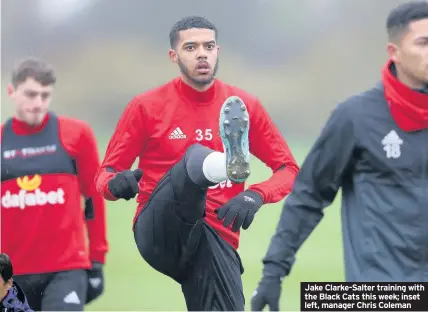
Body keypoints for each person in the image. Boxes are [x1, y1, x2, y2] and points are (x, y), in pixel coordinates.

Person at [95, 16, 299, 311]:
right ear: (174, 56)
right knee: (194, 157)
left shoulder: (244, 105)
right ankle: (220, 164)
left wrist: (255, 195)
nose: (202, 53)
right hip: (161, 231)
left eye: (209, 46)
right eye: (191, 47)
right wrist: (115, 185)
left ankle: (221, 166)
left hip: (216, 239)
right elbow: (106, 174)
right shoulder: (146, 106)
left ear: (218, 51)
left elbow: (289, 170)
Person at [251, 1, 428, 310]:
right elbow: (308, 197)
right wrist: (273, 271)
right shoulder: (355, 117)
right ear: (394, 52)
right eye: (423, 43)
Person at [1, 58, 109, 311]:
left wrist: (97, 259)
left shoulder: (77, 135)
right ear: (11, 91)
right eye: (30, 94)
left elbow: (94, 198)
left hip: (66, 271)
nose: (38, 103)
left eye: (45, 95)